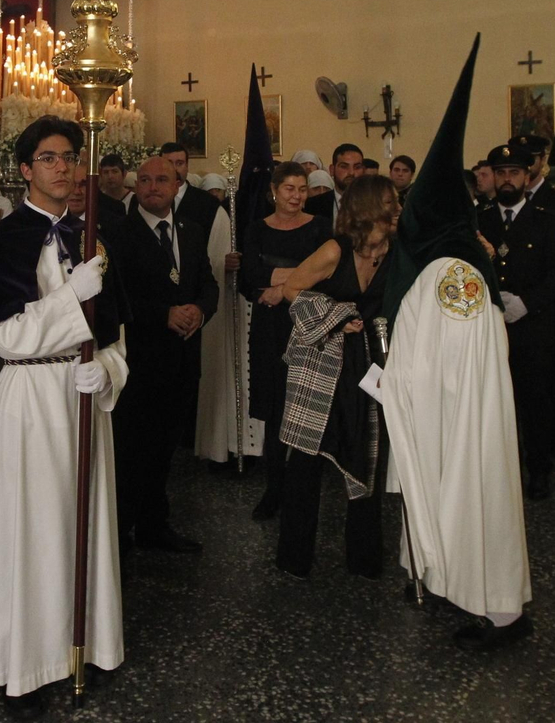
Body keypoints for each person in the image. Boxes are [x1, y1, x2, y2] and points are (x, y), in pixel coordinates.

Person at [0, 116, 128, 718]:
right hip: (30, 397)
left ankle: (86, 645)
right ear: (25, 169)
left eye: (71, 157)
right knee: (32, 524)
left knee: (84, 519)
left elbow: (117, 331)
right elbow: (4, 335)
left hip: (81, 392)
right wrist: (69, 299)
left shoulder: (93, 236)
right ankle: (26, 662)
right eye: (50, 158)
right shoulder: (3, 240)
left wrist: (108, 370)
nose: (64, 167)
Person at [374, 36, 532, 650]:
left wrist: (400, 381)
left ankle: (494, 606)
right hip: (448, 409)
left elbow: (453, 359)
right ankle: (443, 576)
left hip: (461, 418)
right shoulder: (451, 264)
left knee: (475, 503)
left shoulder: (452, 275)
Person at [275, 175, 399, 580]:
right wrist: (336, 314)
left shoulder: (396, 252)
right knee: (306, 462)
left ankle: (364, 559)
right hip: (324, 364)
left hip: (369, 366)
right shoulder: (334, 250)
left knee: (367, 454)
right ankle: (294, 558)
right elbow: (292, 289)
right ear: (368, 209)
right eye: (390, 202)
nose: (397, 208)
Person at [113, 157, 216, 554]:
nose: (153, 186)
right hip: (139, 362)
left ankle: (155, 525)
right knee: (131, 450)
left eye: (162, 180)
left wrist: (200, 310)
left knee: (164, 450)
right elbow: (118, 296)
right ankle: (121, 532)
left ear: (178, 186)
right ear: (136, 186)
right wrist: (164, 313)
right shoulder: (120, 234)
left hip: (181, 362)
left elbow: (205, 283)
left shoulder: (191, 230)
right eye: (145, 180)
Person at [475, 145, 555, 499]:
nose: (506, 179)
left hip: (533, 325)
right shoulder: (480, 219)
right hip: (488, 323)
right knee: (491, 400)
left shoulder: (547, 219)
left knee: (535, 401)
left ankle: (539, 470)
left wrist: (527, 303)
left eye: (514, 173)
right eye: (500, 173)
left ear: (527, 177)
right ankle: (496, 471)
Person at [239, 161, 330, 520]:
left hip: (308, 325)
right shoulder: (257, 229)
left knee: (306, 406)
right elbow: (249, 277)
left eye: (302, 188)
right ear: (273, 192)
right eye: (289, 188)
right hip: (270, 328)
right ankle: (273, 487)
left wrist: (277, 282)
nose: (297, 195)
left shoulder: (321, 227)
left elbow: (329, 272)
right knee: (275, 409)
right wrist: (300, 272)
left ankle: (304, 490)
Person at [158, 142, 241, 463]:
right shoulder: (142, 206)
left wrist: (224, 264)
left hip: (195, 306)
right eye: (169, 163)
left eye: (180, 163)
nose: (175, 169)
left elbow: (214, 259)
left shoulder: (205, 207)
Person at [304, 143, 364, 220]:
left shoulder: (374, 205)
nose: (351, 172)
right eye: (344, 167)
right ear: (332, 170)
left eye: (357, 167)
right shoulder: (313, 205)